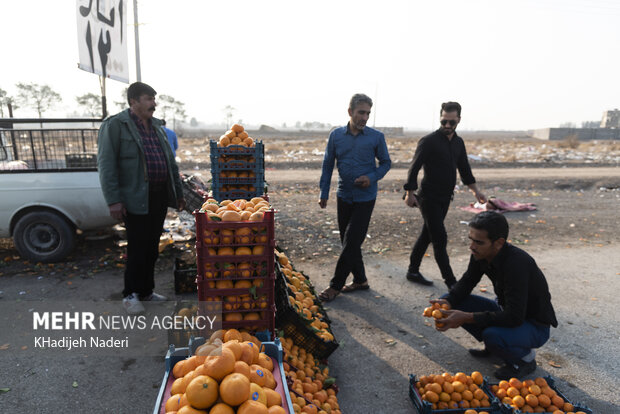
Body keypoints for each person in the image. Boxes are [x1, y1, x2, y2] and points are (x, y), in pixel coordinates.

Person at [431, 211, 558, 379]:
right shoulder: (480, 254)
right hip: (508, 311)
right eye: (471, 240)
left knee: (492, 335)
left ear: (498, 243)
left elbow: (514, 317)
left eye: (478, 242)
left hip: (534, 326)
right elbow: (467, 282)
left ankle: (524, 359)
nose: (472, 246)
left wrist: (466, 317)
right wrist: (446, 302)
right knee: (454, 300)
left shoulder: (516, 264)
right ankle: (495, 348)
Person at [97, 82, 186, 314]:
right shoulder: (116, 125)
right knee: (137, 248)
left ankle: (146, 291)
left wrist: (177, 194)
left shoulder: (156, 127)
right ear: (133, 101)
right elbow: (106, 165)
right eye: (148, 98)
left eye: (154, 99)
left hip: (157, 197)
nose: (153, 104)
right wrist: (113, 200)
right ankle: (130, 294)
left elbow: (170, 163)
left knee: (151, 248)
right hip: (135, 198)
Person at [403, 101, 486, 288]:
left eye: (451, 122)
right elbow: (414, 168)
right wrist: (409, 193)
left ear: (459, 120)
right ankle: (452, 283)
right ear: (440, 119)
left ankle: (412, 271)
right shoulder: (428, 141)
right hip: (428, 198)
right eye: (444, 122)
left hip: (445, 198)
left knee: (427, 234)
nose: (447, 126)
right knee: (440, 238)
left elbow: (465, 169)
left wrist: (476, 192)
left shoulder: (458, 143)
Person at [317, 93, 391, 302]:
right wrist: (324, 192)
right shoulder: (336, 136)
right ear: (350, 112)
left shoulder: (376, 137)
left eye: (368, 113)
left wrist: (371, 177)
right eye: (361, 112)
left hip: (366, 197)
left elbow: (386, 163)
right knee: (348, 242)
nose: (365, 117)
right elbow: (327, 164)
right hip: (344, 195)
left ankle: (335, 285)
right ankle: (360, 280)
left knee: (351, 242)